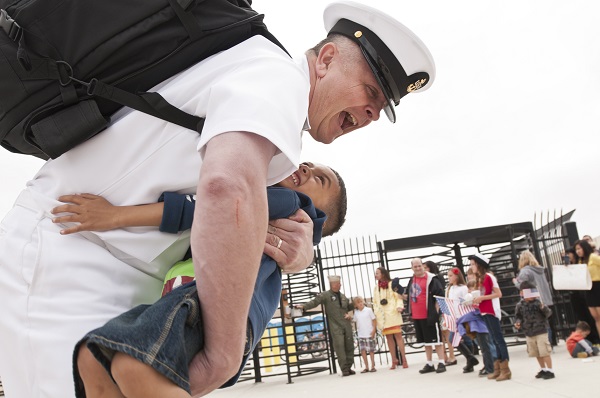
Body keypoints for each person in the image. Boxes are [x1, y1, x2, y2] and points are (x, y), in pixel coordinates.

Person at [0, 2, 436, 396]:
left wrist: (297, 252)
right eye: (372, 92)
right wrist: (225, 354)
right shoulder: (278, 80)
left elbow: (230, 218)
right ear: (325, 60)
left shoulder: (262, 87)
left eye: (381, 108)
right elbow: (227, 189)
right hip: (71, 261)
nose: (371, 114)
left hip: (111, 268)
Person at [75, 179, 343, 397]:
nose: (306, 168)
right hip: (196, 300)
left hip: (215, 299)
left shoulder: (289, 202)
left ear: (317, 216)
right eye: (310, 163)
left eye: (319, 179)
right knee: (93, 358)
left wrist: (115, 215)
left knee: (132, 365)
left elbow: (205, 207)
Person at [298, 275, 355, 376]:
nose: (340, 285)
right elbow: (315, 302)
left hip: (346, 324)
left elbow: (346, 308)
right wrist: (304, 306)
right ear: (333, 285)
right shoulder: (325, 295)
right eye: (338, 283)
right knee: (339, 346)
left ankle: (349, 366)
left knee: (349, 346)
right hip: (335, 326)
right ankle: (344, 369)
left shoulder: (343, 296)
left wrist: (355, 304)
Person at [470, 253, 511, 381]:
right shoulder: (480, 278)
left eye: (473, 264)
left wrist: (482, 298)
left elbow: (498, 293)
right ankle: (497, 368)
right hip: (484, 310)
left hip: (492, 310)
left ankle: (505, 369)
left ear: (479, 264)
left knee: (498, 339)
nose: (471, 267)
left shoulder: (489, 277)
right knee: (493, 339)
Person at [406, 258, 446, 374]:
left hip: (429, 314)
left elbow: (439, 295)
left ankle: (442, 362)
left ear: (423, 266)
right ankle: (429, 363)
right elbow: (408, 296)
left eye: (419, 266)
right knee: (426, 341)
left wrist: (435, 311)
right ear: (412, 268)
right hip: (417, 315)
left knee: (436, 340)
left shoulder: (431, 279)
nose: (418, 268)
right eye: (415, 266)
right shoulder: (412, 280)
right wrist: (397, 290)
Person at [513, 250, 556, 345]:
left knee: (539, 323)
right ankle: (551, 342)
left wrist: (515, 282)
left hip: (533, 299)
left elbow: (522, 286)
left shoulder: (525, 271)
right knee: (546, 322)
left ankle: (546, 344)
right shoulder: (540, 270)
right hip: (546, 297)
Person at [514, 281, 554, 380]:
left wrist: (543, 308)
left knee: (544, 351)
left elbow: (548, 314)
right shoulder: (520, 305)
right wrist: (518, 322)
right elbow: (518, 316)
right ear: (522, 293)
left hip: (541, 330)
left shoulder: (538, 303)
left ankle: (550, 370)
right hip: (529, 332)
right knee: (536, 352)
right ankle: (543, 369)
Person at [445, 267, 479, 373]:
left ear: (456, 276)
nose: (449, 278)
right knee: (453, 339)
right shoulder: (449, 289)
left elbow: (468, 301)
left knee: (466, 338)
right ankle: (470, 358)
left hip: (464, 316)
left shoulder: (463, 288)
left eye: (451, 276)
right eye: (448, 276)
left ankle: (470, 363)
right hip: (454, 317)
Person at [373, 267, 407, 369]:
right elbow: (375, 301)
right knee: (388, 338)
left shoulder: (392, 284)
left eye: (377, 273)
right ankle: (394, 360)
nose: (376, 275)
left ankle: (404, 359)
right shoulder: (376, 288)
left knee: (398, 336)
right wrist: (376, 312)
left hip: (393, 312)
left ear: (383, 274)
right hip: (383, 315)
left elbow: (398, 297)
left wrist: (399, 306)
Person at [574, 239, 600, 339]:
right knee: (596, 317)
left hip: (597, 285)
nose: (578, 251)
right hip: (588, 288)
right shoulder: (580, 261)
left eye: (579, 248)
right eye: (576, 249)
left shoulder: (593, 257)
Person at [352, 296, 378, 373]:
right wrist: (348, 317)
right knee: (363, 351)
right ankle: (366, 367)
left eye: (361, 301)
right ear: (355, 305)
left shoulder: (368, 310)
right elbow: (354, 320)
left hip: (369, 333)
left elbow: (374, 320)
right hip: (361, 334)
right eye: (358, 302)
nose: (360, 303)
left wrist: (374, 330)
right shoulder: (356, 312)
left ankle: (372, 366)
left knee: (371, 351)